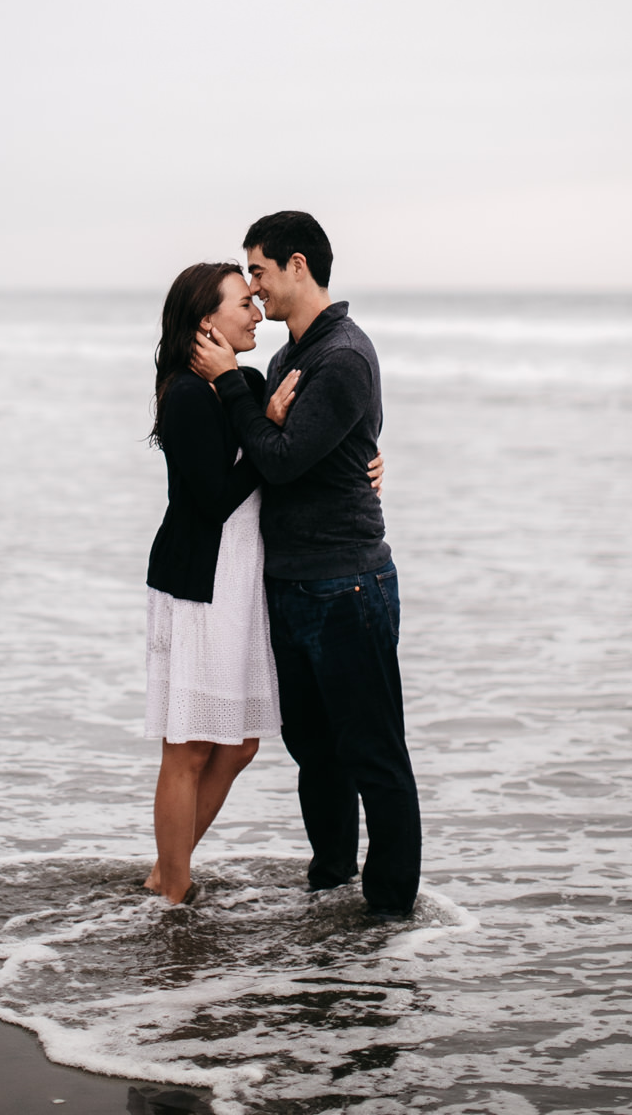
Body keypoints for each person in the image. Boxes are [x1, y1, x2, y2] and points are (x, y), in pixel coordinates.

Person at [192, 211, 422, 917]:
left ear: (297, 265)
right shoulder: (292, 357)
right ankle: (330, 888)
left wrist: (234, 382)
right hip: (293, 583)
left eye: (257, 272)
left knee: (372, 754)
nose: (253, 290)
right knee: (314, 752)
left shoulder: (342, 356)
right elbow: (276, 449)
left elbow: (284, 462)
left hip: (346, 582)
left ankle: (389, 917)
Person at [143, 260, 384, 906]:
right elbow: (217, 497)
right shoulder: (189, 395)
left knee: (240, 743)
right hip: (200, 582)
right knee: (188, 746)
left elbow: (307, 447)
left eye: (255, 299)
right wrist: (267, 432)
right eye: (242, 303)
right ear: (206, 322)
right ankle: (172, 887)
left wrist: (364, 462)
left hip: (241, 583)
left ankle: (169, 870)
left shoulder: (242, 381)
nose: (255, 313)